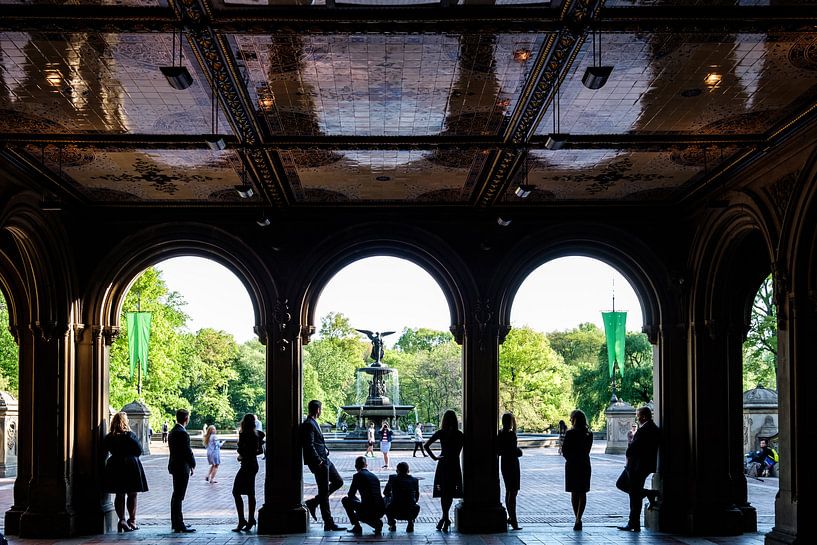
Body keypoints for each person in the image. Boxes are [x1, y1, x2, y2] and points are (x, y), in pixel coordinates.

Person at [300, 399, 345, 531]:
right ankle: (328, 522)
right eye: (321, 409)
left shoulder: (313, 422)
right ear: (318, 410)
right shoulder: (308, 424)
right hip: (319, 463)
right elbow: (308, 445)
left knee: (338, 481)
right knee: (324, 492)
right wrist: (318, 460)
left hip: (325, 460)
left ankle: (313, 502)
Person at [103, 411, 148, 533]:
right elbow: (139, 450)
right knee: (132, 494)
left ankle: (122, 520)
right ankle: (132, 521)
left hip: (115, 465)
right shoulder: (130, 435)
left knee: (120, 493)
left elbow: (105, 450)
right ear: (125, 421)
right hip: (130, 465)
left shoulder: (109, 437)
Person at [618, 406, 660, 532]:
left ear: (644, 416)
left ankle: (633, 523)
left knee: (632, 493)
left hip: (636, 466)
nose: (637, 418)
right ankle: (648, 494)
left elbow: (633, 448)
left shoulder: (644, 430)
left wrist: (628, 451)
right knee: (632, 491)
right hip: (643, 466)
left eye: (638, 416)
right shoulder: (654, 428)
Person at [424, 409, 463, 533]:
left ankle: (445, 518)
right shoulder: (460, 434)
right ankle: (445, 518)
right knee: (450, 492)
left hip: (443, 464)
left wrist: (435, 457)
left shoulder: (441, 433)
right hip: (454, 464)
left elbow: (426, 445)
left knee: (444, 493)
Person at [233, 414, 266, 532]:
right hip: (253, 464)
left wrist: (241, 455)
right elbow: (258, 450)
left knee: (236, 491)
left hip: (246, 465)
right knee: (250, 493)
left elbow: (242, 450)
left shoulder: (244, 435)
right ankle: (250, 519)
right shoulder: (256, 435)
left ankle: (242, 520)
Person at [562, 409, 593, 531]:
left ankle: (577, 518)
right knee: (582, 492)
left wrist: (570, 458)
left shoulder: (570, 433)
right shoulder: (589, 434)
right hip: (584, 464)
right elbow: (587, 450)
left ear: (574, 419)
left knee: (574, 493)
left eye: (571, 418)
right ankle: (579, 518)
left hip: (572, 465)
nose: (570, 420)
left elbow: (565, 450)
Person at [168, 408, 196, 533]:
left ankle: (176, 522)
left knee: (176, 495)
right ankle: (179, 524)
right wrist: (193, 464)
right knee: (179, 496)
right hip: (181, 467)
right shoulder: (183, 433)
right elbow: (187, 451)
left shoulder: (173, 431)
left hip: (175, 465)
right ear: (186, 418)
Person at [341, 456, 385, 535]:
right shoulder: (374, 476)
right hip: (380, 509)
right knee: (365, 505)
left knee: (345, 500)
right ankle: (376, 522)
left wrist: (357, 501)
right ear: (366, 465)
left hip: (368, 509)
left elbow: (351, 494)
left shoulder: (357, 476)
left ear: (356, 466)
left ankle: (357, 526)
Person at [497, 412, 522, 530]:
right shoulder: (511, 434)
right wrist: (519, 451)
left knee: (509, 490)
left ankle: (511, 517)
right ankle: (513, 519)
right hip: (513, 463)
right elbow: (514, 450)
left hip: (504, 463)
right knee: (513, 492)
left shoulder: (500, 433)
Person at [384, 461, 420, 532]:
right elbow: (417, 496)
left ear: (397, 471)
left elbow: (386, 492)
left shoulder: (393, 478)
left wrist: (393, 496)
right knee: (416, 505)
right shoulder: (414, 480)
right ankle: (410, 522)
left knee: (385, 500)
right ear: (408, 471)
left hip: (394, 508)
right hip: (410, 509)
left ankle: (392, 523)